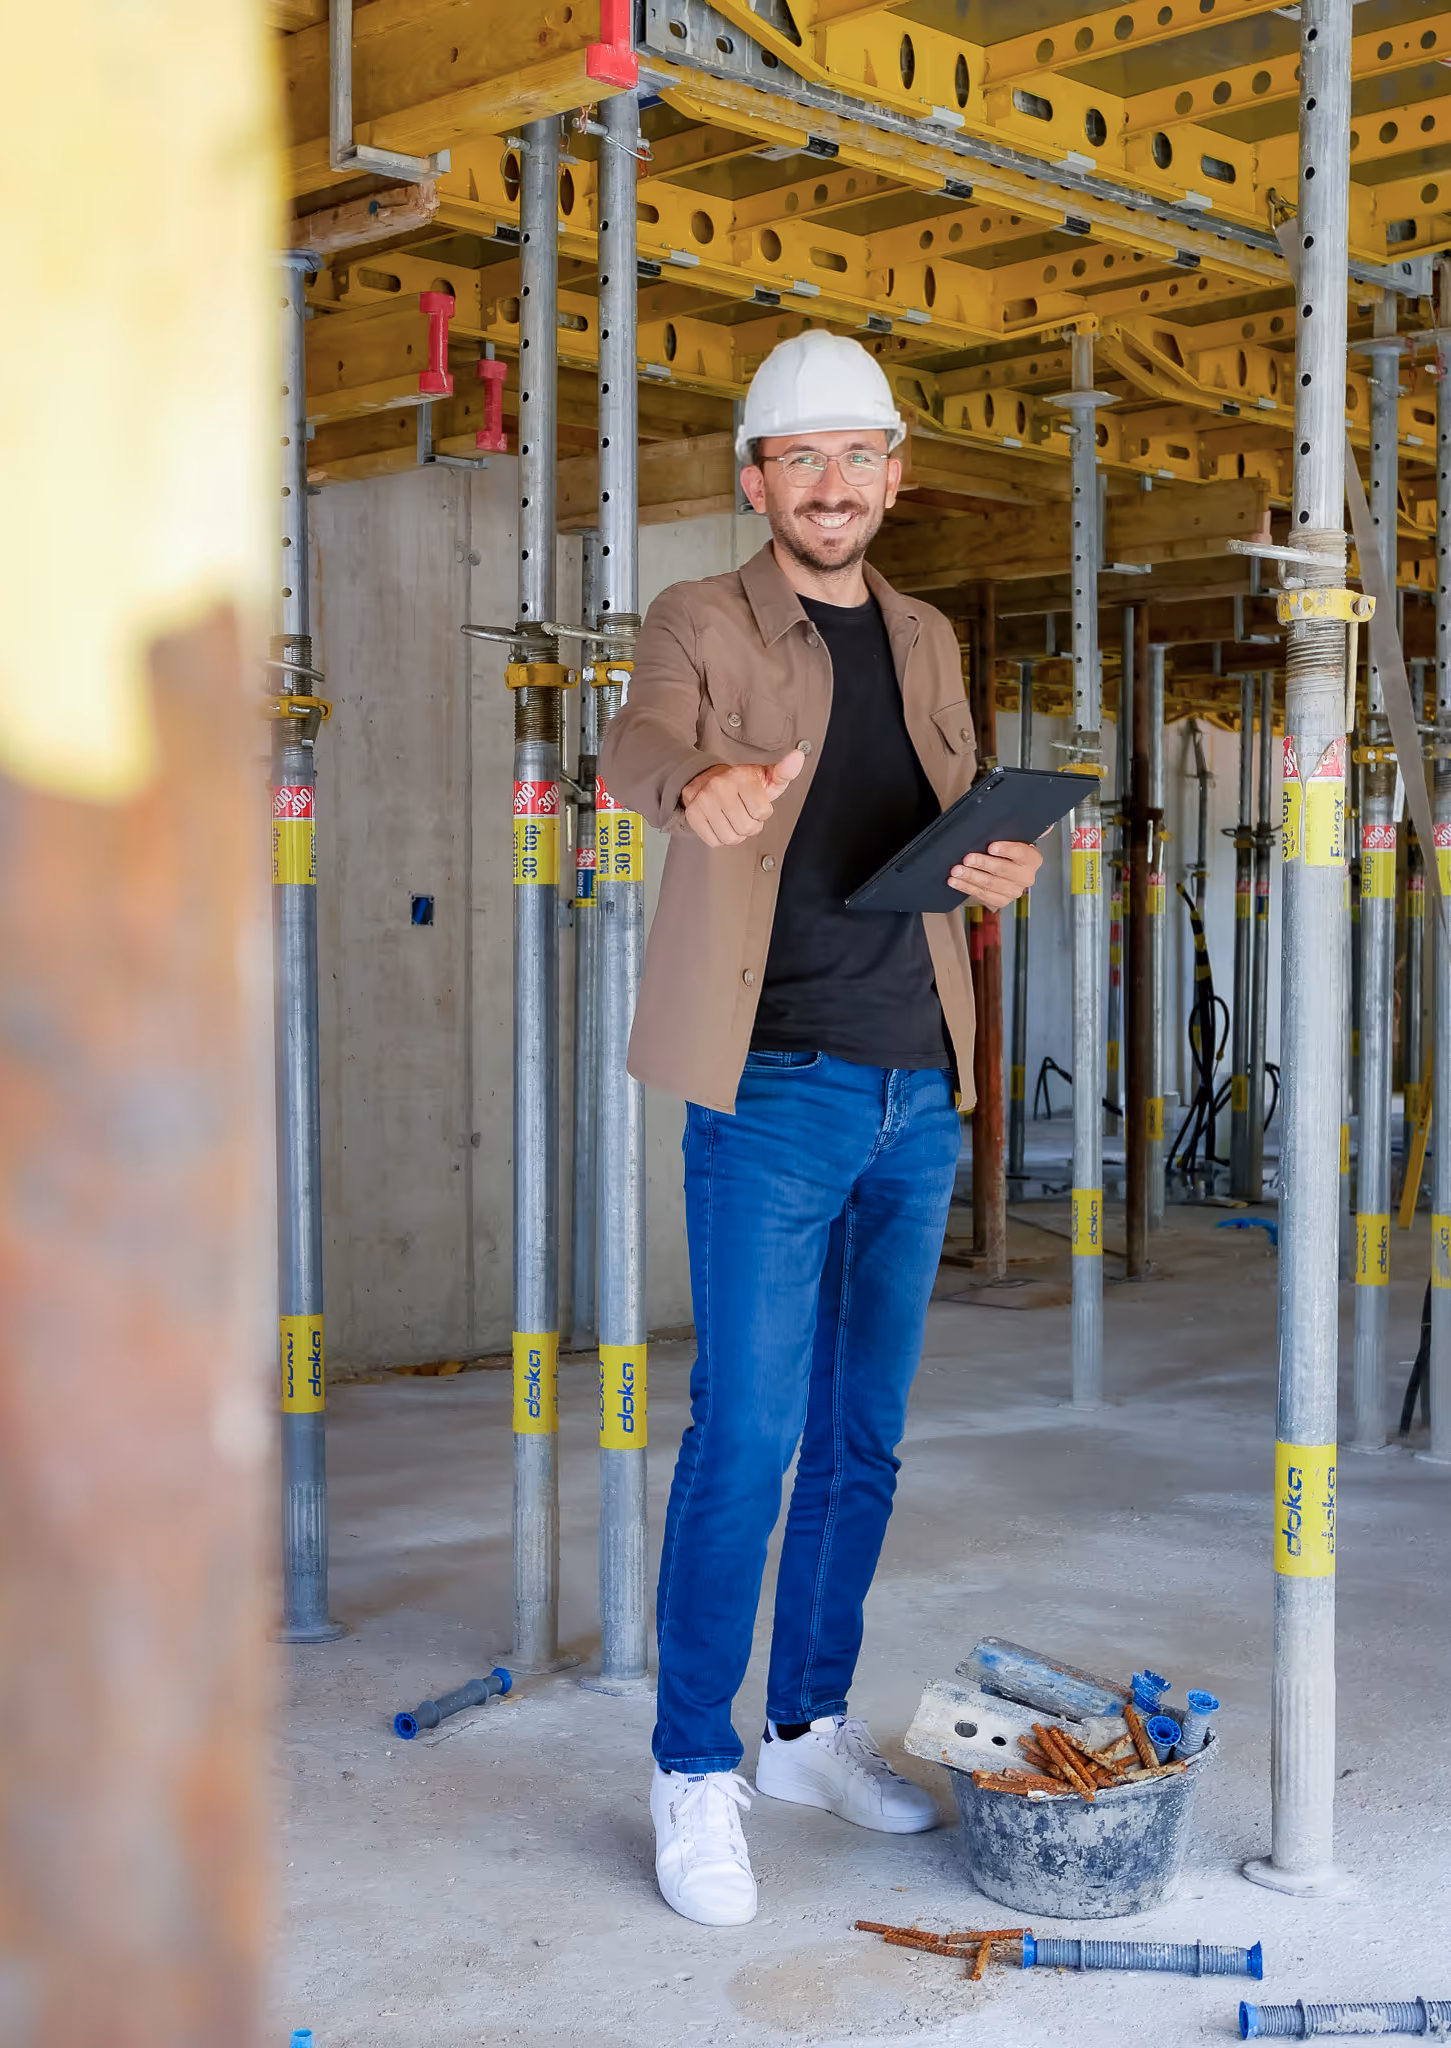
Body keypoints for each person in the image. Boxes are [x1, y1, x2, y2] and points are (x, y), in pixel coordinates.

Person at [598, 330, 1043, 1927]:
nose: (834, 484)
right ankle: (689, 1771)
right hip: (774, 1085)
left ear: (893, 477)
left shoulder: (923, 635)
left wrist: (1007, 864)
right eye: (804, 459)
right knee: (745, 1440)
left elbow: (962, 807)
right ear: (756, 481)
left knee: (862, 1440)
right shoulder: (699, 620)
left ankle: (801, 1730)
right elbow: (636, 742)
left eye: (860, 457)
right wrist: (696, 786)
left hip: (916, 1085)